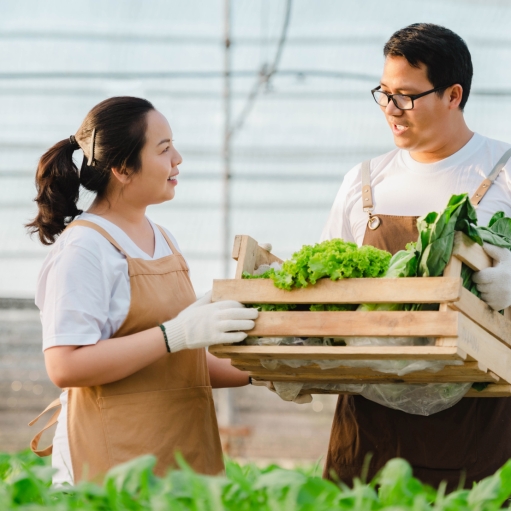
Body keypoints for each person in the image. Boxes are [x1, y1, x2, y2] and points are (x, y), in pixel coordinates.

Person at [26, 96, 258, 485]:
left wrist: (271, 369)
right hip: (111, 468)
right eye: (164, 149)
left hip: (183, 461)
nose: (178, 159)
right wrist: (173, 335)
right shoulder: (86, 248)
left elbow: (183, 364)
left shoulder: (163, 239)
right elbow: (65, 365)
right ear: (121, 168)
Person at [320, 23, 511, 489]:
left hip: (479, 421)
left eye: (405, 96)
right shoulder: (363, 180)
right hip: (370, 425)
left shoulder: (502, 173)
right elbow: (326, 289)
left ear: (453, 95)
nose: (391, 109)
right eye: (383, 93)